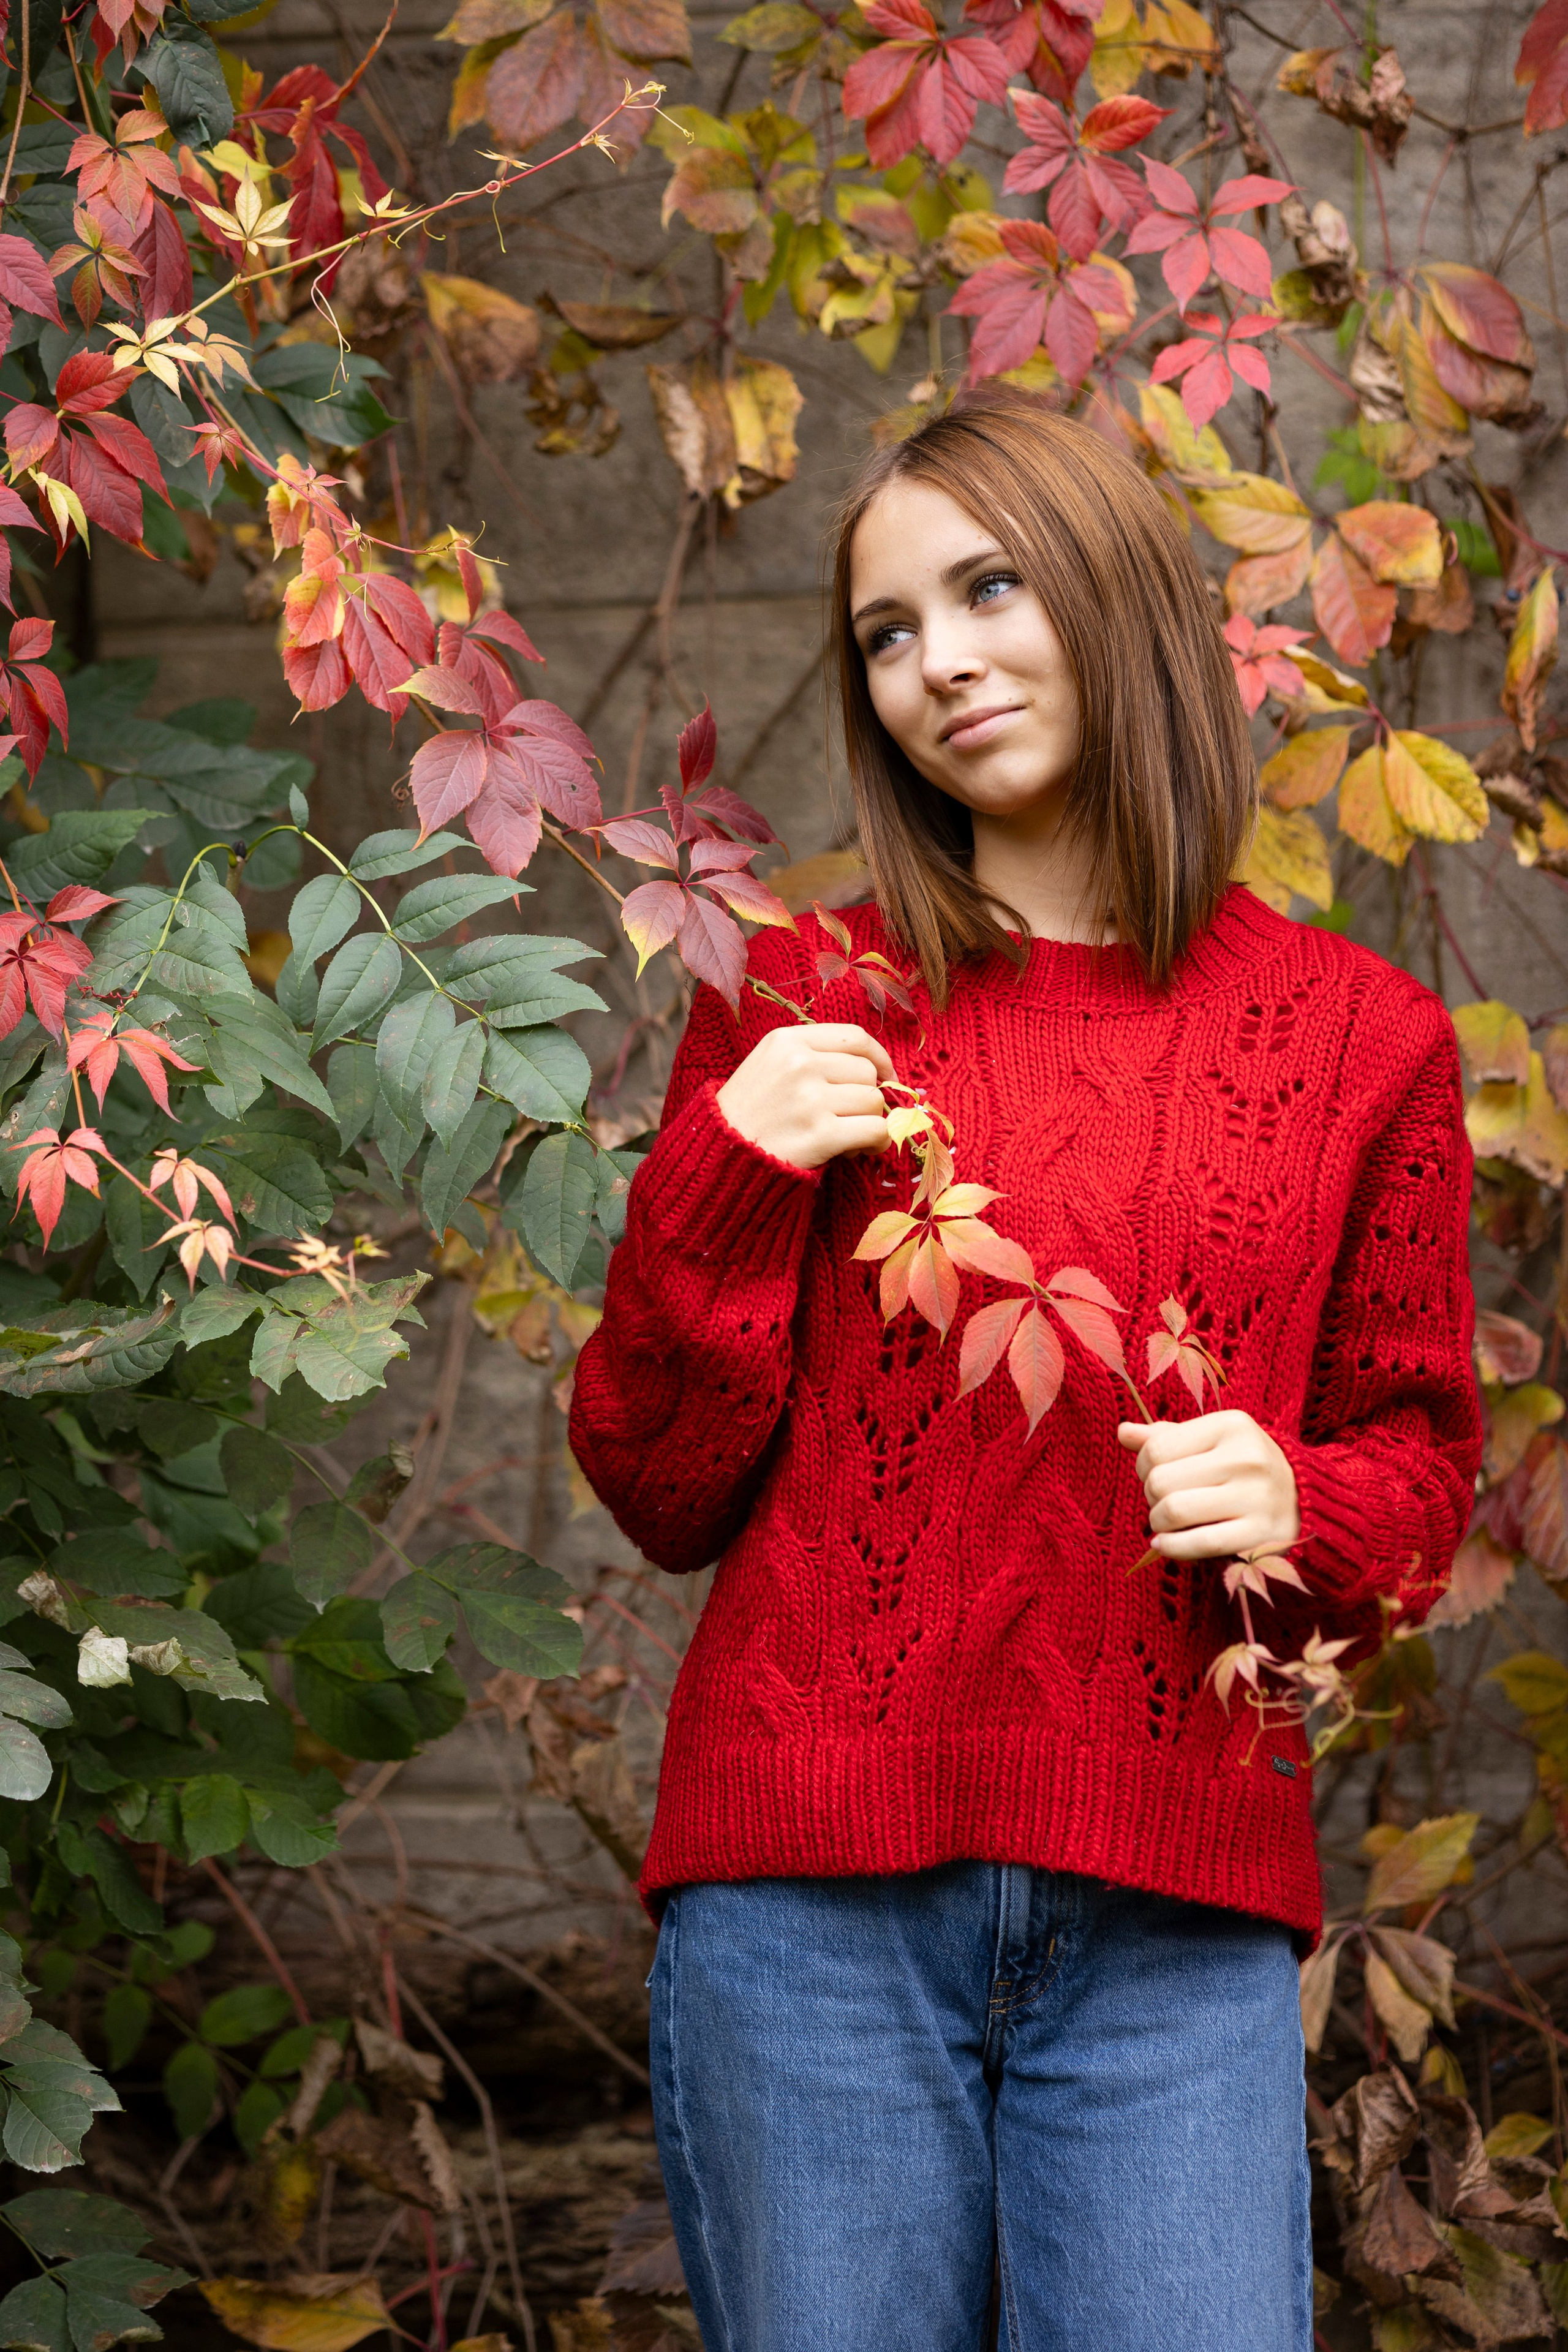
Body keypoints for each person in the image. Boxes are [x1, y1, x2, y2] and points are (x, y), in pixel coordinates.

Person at [568, 394, 1482, 2352]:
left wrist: (1304, 1505)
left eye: (988, 589)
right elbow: (656, 1485)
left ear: (1119, 596)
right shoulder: (802, 999)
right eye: (888, 630)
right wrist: (733, 1174)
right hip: (806, 1903)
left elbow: (1417, 1470)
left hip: (1173, 1914)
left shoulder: (1365, 1044)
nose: (940, 662)